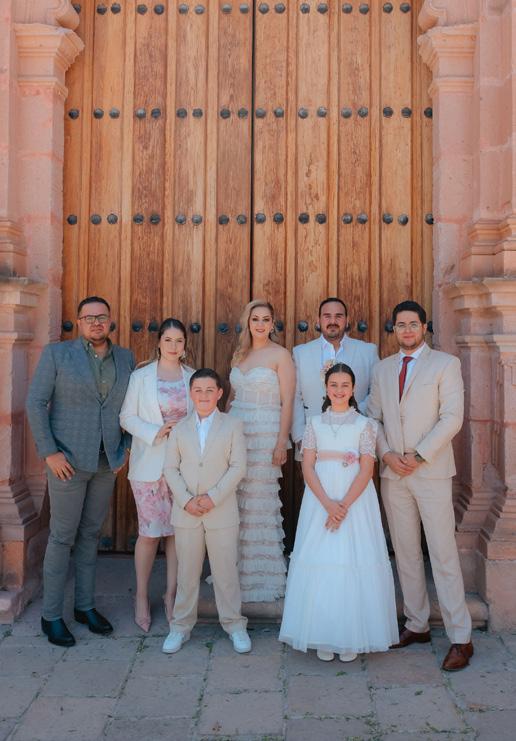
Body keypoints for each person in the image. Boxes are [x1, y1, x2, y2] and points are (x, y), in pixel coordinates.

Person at [367, 300, 473, 671]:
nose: (407, 330)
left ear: (424, 327)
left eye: (413, 324)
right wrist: (386, 454)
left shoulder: (445, 364)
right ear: (394, 329)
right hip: (393, 473)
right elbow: (373, 418)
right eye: (401, 324)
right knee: (406, 551)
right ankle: (416, 624)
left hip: (430, 472)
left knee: (442, 553)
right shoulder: (382, 369)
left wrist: (420, 455)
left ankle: (461, 637)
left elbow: (452, 418)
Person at [26, 296, 135, 647]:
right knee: (62, 537)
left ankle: (84, 606)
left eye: (101, 316)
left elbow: (135, 407)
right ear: (78, 322)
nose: (96, 322)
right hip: (67, 463)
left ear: (111, 320)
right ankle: (51, 616)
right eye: (89, 317)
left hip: (106, 462)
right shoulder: (58, 355)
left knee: (90, 535)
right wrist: (50, 453)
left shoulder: (126, 358)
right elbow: (35, 403)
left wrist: (126, 447)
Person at [279, 363, 398, 661]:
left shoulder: (365, 425)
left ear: (353, 388)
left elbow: (367, 469)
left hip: (355, 501)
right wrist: (328, 505)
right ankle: (323, 633)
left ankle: (351, 637)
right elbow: (307, 467)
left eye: (345, 385)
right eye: (334, 384)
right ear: (326, 388)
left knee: (352, 560)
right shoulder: (314, 424)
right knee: (322, 560)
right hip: (320, 499)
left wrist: (343, 506)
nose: (339, 390)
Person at [162, 368, 251, 654]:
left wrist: (212, 497)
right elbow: (170, 468)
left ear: (219, 393)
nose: (203, 395)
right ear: (190, 394)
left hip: (220, 511)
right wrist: (186, 500)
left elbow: (238, 467)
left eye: (209, 390)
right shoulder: (179, 429)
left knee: (226, 573)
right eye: (198, 390)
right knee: (187, 574)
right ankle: (180, 627)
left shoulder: (232, 425)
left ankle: (235, 625)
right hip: (186, 512)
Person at [120, 318, 194, 632]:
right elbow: (126, 417)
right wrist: (156, 431)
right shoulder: (141, 377)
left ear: (185, 345)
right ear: (159, 343)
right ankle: (141, 596)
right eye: (168, 340)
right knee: (150, 534)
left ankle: (171, 595)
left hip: (183, 467)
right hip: (149, 465)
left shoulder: (191, 377)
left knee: (177, 533)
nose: (173, 346)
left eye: (179, 341)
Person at [227, 299, 296, 602]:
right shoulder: (239, 354)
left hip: (265, 433)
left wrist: (281, 442)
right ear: (248, 322)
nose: (260, 324)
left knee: (259, 502)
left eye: (265, 319)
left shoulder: (280, 355)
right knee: (237, 501)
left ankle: (262, 576)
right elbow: (230, 399)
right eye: (255, 319)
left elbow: (288, 401)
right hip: (237, 433)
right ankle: (235, 571)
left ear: (272, 324)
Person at [291, 297, 379, 452]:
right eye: (327, 316)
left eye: (338, 316)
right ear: (318, 320)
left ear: (347, 320)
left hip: (356, 436)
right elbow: (294, 396)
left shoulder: (367, 351)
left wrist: (357, 412)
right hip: (312, 440)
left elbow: (377, 391)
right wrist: (299, 435)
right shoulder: (301, 353)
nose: (333, 321)